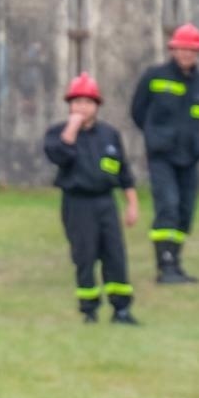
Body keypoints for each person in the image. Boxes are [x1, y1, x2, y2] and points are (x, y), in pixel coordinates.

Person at [45, 73, 140, 324]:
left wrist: (131, 203)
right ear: (69, 105)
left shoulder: (109, 135)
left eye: (88, 102)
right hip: (78, 204)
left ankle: (121, 309)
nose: (82, 107)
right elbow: (58, 156)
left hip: (105, 202)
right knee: (85, 256)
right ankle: (89, 310)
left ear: (97, 106)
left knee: (115, 255)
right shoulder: (58, 133)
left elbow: (122, 171)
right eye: (76, 102)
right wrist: (73, 127)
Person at [131, 23, 199, 284]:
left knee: (185, 211)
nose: (187, 54)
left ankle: (176, 264)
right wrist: (156, 135)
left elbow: (198, 118)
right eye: (182, 49)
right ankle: (164, 267)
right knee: (168, 206)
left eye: (192, 50)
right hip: (162, 155)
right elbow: (138, 111)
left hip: (190, 155)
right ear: (173, 50)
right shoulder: (154, 76)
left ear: (198, 52)